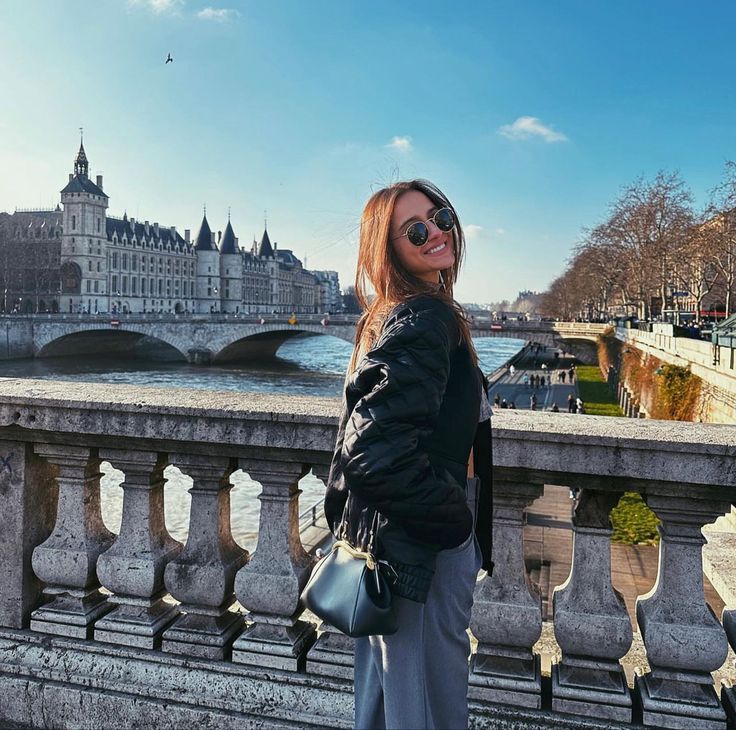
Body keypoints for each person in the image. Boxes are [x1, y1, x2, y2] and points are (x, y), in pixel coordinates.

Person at [324, 180, 493, 730]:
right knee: (430, 703)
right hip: (421, 544)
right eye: (415, 230)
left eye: (439, 216)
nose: (436, 233)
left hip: (390, 540)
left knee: (388, 698)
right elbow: (371, 453)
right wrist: (455, 522)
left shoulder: (389, 316)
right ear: (388, 249)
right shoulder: (426, 319)